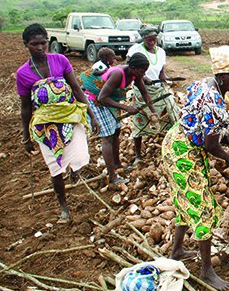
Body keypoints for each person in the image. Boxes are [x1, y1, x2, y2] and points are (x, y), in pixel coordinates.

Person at [161, 45, 229, 290]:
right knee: (202, 206)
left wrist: (219, 133)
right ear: (222, 76)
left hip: (176, 141)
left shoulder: (206, 83)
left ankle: (177, 250)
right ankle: (207, 271)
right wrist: (228, 158)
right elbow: (211, 146)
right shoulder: (213, 101)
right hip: (184, 152)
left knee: (183, 199)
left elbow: (198, 119)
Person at [17, 23, 100, 223]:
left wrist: (91, 114)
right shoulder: (23, 73)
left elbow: (76, 89)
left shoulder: (60, 60)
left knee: (79, 154)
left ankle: (75, 169)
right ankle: (63, 208)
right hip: (46, 125)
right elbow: (26, 107)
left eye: (43, 43)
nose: (39, 48)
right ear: (26, 45)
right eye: (34, 44)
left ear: (47, 42)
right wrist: (26, 137)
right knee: (55, 167)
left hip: (70, 116)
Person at [82, 53, 158, 186]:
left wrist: (153, 111)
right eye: (142, 71)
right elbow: (102, 97)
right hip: (96, 102)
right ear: (133, 67)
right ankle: (112, 177)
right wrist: (126, 108)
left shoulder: (135, 74)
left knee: (116, 131)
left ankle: (117, 165)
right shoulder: (118, 74)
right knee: (107, 137)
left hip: (109, 101)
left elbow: (145, 93)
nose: (144, 74)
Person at [126, 28, 178, 168]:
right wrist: (144, 77)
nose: (152, 42)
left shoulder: (161, 52)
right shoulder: (135, 49)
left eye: (154, 39)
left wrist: (166, 80)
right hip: (141, 90)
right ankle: (138, 155)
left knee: (172, 114)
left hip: (158, 89)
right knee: (140, 120)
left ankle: (171, 148)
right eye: (149, 39)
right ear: (143, 38)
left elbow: (161, 72)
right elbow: (129, 67)